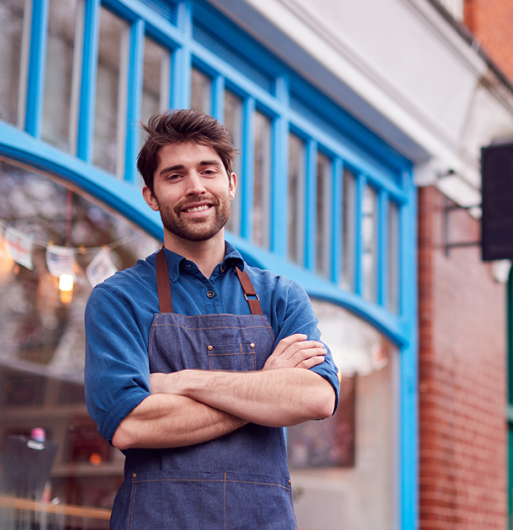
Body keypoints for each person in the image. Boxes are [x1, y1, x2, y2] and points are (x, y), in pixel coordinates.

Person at [84, 109, 339, 530]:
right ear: (151, 195)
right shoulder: (118, 299)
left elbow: (315, 398)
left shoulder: (280, 296)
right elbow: (130, 424)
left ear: (231, 184)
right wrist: (265, 388)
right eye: (175, 175)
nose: (196, 187)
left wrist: (182, 382)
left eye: (208, 170)